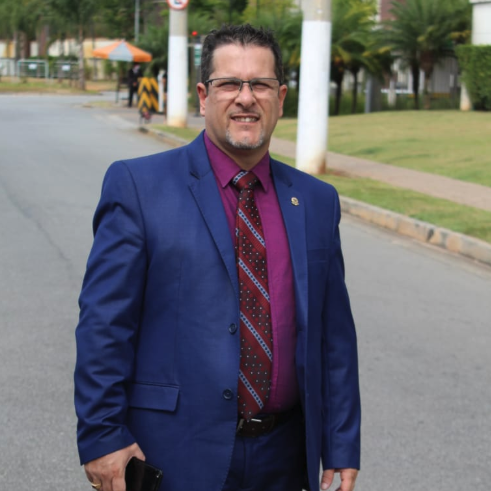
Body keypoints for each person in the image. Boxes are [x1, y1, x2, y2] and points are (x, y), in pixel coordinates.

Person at [75, 24, 361, 491]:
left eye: (260, 84)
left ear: (280, 98)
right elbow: (104, 325)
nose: (246, 98)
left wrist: (342, 441)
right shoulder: (139, 187)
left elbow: (334, 338)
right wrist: (102, 435)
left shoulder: (316, 200)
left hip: (285, 459)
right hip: (171, 454)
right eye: (229, 83)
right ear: (204, 95)